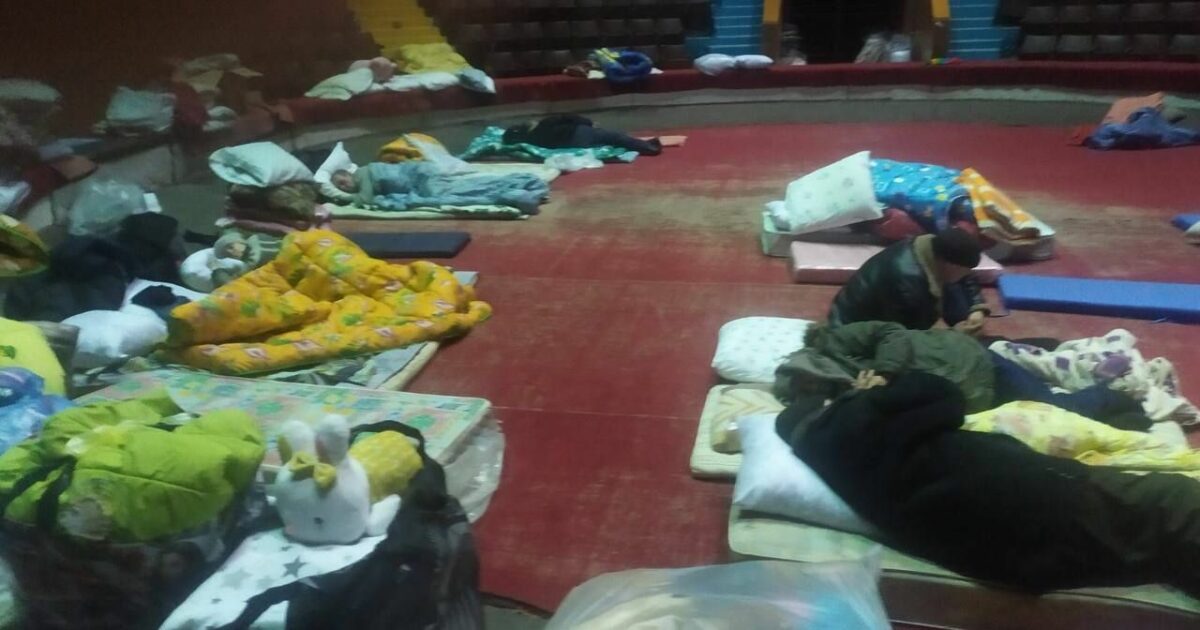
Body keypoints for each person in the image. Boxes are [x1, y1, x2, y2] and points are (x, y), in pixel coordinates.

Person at [777, 372, 1200, 599]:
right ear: (824, 408)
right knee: (1175, 500)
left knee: (1156, 546)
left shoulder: (836, 461)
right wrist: (876, 389)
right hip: (1047, 504)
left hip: (1021, 550)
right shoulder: (854, 418)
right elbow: (946, 397)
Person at [774, 321, 1150, 430]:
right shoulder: (844, 398)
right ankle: (1122, 418)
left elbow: (892, 332)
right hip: (969, 394)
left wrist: (885, 373)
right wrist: (865, 396)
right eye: (806, 389)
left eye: (807, 377)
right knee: (1044, 420)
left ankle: (1118, 396)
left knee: (1052, 406)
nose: (812, 385)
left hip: (971, 361)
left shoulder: (837, 341)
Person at [828, 227, 988, 334]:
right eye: (964, 270)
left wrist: (976, 309)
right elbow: (908, 338)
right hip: (851, 327)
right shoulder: (910, 285)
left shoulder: (934, 248)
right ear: (951, 266)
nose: (967, 274)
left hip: (893, 311)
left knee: (956, 288)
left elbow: (967, 277)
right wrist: (955, 335)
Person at [501, 115, 662, 156]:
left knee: (611, 140)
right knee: (616, 136)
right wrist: (589, 123)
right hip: (578, 133)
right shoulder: (545, 123)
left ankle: (643, 144)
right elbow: (568, 117)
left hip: (573, 144)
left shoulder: (532, 141)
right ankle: (649, 148)